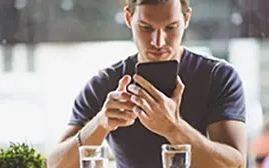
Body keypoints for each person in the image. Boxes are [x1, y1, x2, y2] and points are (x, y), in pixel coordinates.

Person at [47, 0, 247, 167]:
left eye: (170, 27)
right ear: (128, 18)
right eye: (146, 27)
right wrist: (101, 123)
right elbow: (55, 164)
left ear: (186, 19)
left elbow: (236, 164)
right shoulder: (105, 84)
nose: (158, 42)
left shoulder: (218, 76)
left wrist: (173, 128)